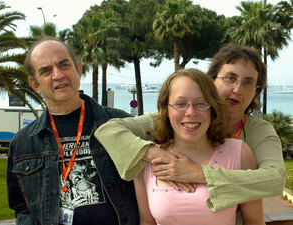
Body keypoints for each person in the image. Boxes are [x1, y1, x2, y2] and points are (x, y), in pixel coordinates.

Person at [94, 43, 286, 213]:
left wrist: (198, 173)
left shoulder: (258, 131)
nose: (238, 89)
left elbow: (275, 179)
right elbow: (108, 131)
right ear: (210, 81)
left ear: (255, 92)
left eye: (248, 83)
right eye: (230, 78)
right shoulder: (173, 121)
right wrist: (155, 155)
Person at [6, 37, 139, 225]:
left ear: (78, 68)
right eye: (46, 71)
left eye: (64, 65)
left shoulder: (120, 123)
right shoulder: (23, 143)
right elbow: (21, 207)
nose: (58, 75)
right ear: (35, 84)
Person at [135, 68, 263, 224]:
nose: (190, 112)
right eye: (180, 104)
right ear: (166, 109)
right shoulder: (146, 160)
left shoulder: (239, 154)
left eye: (201, 104)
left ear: (213, 108)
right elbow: (146, 222)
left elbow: (254, 221)